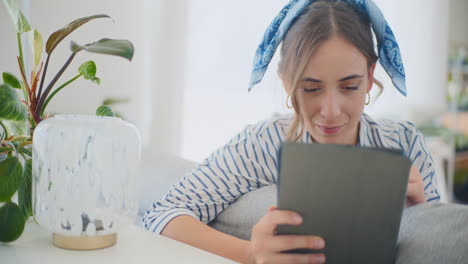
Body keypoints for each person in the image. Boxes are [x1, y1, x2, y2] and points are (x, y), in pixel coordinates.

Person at [143, 0, 443, 263]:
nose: (330, 110)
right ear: (286, 81)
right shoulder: (263, 143)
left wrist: (419, 214)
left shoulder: (405, 142)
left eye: (349, 86)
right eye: (310, 88)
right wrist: (250, 254)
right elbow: (161, 216)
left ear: (369, 76)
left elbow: (441, 246)